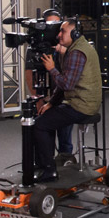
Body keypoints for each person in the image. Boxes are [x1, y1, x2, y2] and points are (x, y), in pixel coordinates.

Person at [30, 18, 102, 184]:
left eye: (63, 31)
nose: (59, 35)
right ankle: (45, 165)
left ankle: (49, 170)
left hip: (81, 105)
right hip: (78, 101)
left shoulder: (77, 53)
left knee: (40, 125)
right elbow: (64, 86)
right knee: (45, 120)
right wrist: (51, 104)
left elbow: (66, 84)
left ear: (75, 33)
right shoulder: (76, 49)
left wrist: (52, 69)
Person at [27, 9, 72, 157]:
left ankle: (66, 163)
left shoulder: (67, 46)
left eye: (56, 25)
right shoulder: (36, 46)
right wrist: (37, 99)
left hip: (62, 98)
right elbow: (29, 73)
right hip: (44, 96)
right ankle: (46, 164)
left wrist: (62, 50)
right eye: (49, 25)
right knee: (44, 135)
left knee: (65, 137)